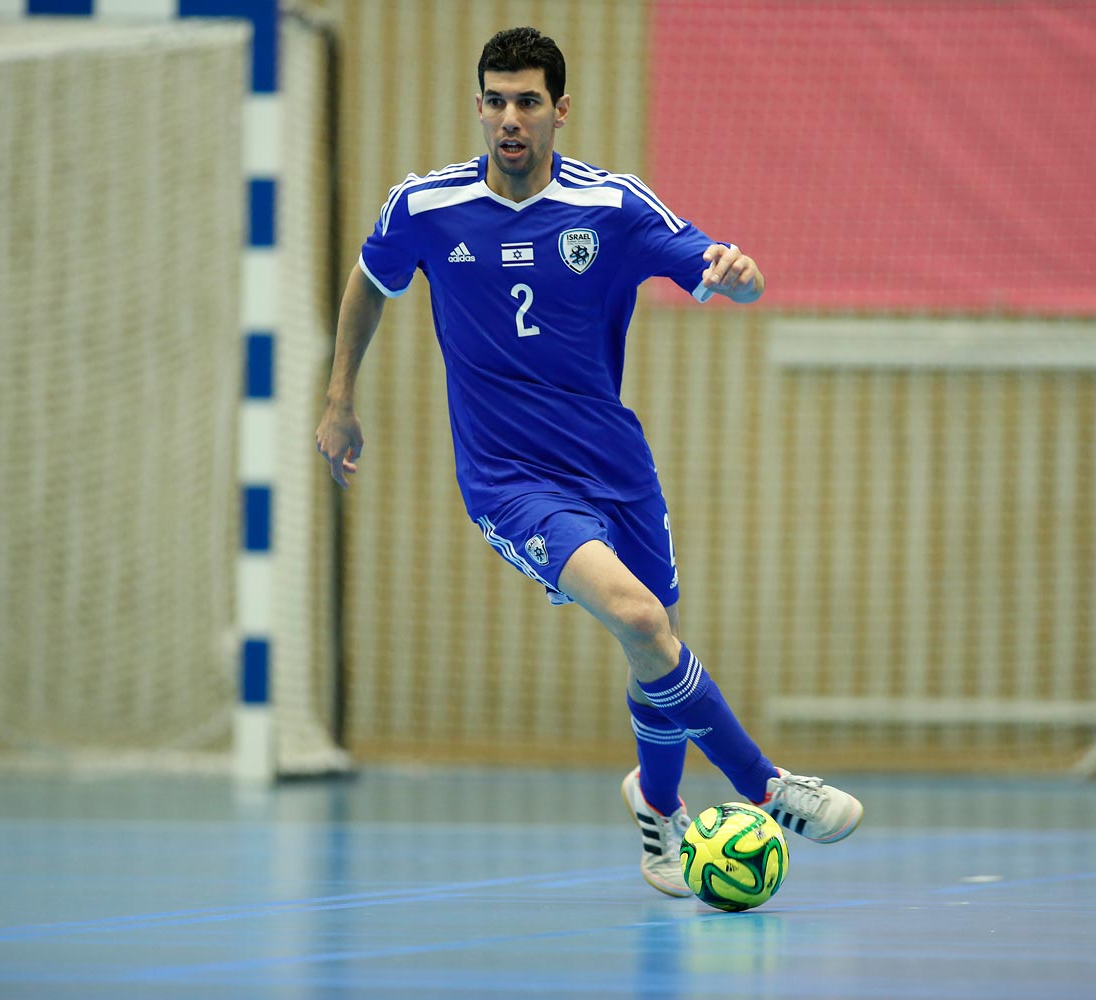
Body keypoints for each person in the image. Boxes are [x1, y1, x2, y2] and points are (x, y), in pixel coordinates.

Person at [315, 26, 862, 897]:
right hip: (510, 481)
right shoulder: (423, 208)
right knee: (642, 622)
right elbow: (370, 281)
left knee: (657, 648)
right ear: (479, 105)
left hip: (615, 464)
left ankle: (657, 812)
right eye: (494, 99)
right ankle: (767, 786)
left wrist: (740, 272)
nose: (509, 118)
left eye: (528, 100)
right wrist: (339, 397)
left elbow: (716, 265)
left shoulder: (612, 207)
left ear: (559, 110)